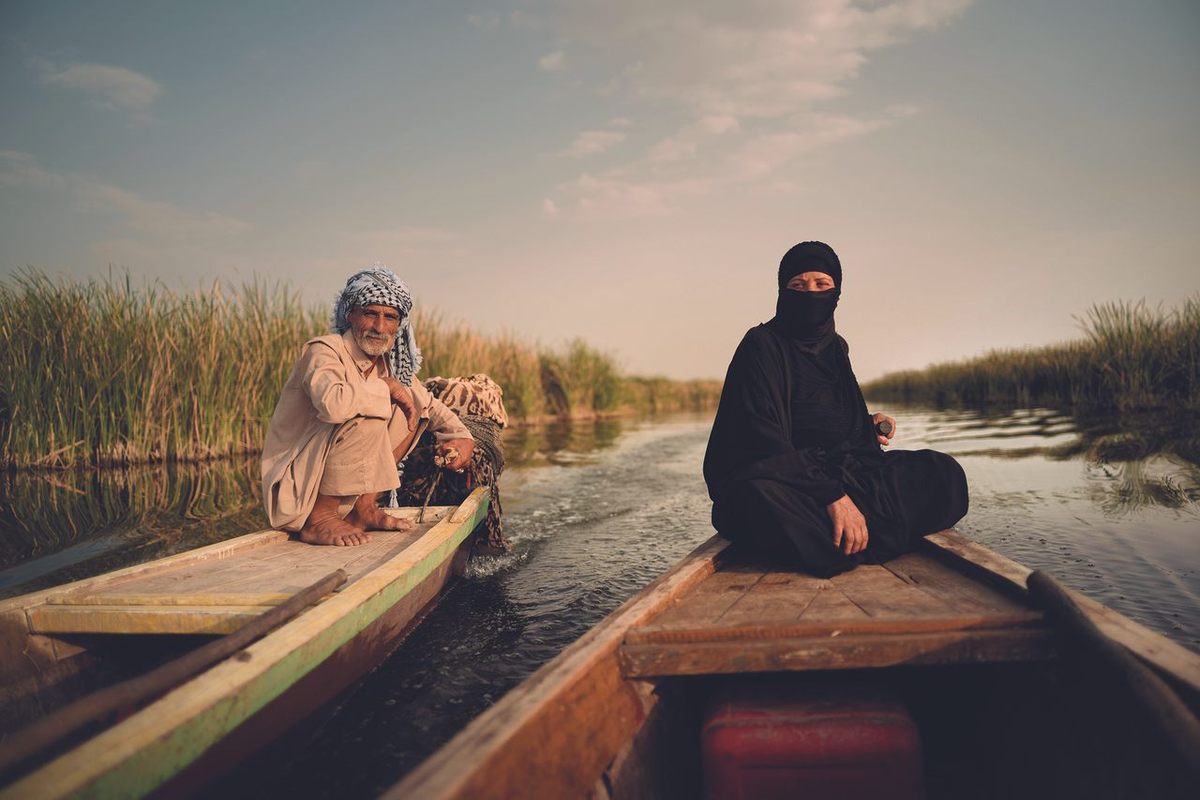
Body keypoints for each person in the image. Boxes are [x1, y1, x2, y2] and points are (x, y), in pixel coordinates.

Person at [702, 241, 968, 577]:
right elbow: (761, 438)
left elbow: (827, 418)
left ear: (836, 292)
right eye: (798, 285)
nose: (810, 293)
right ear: (783, 291)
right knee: (755, 499)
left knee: (942, 473)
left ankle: (845, 538)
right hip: (787, 478)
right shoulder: (761, 345)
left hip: (840, 471)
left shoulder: (836, 347)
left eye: (821, 285)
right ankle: (859, 533)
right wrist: (833, 497)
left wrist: (865, 424)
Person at [261, 265, 475, 546]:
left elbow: (430, 406)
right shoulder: (324, 351)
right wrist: (385, 387)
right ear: (350, 314)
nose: (379, 327)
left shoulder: (390, 365)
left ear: (399, 325)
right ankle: (320, 519)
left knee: (411, 407)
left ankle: (363, 507)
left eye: (390, 318)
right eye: (370, 313)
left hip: (340, 489)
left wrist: (460, 437)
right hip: (298, 488)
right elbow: (333, 406)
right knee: (371, 409)